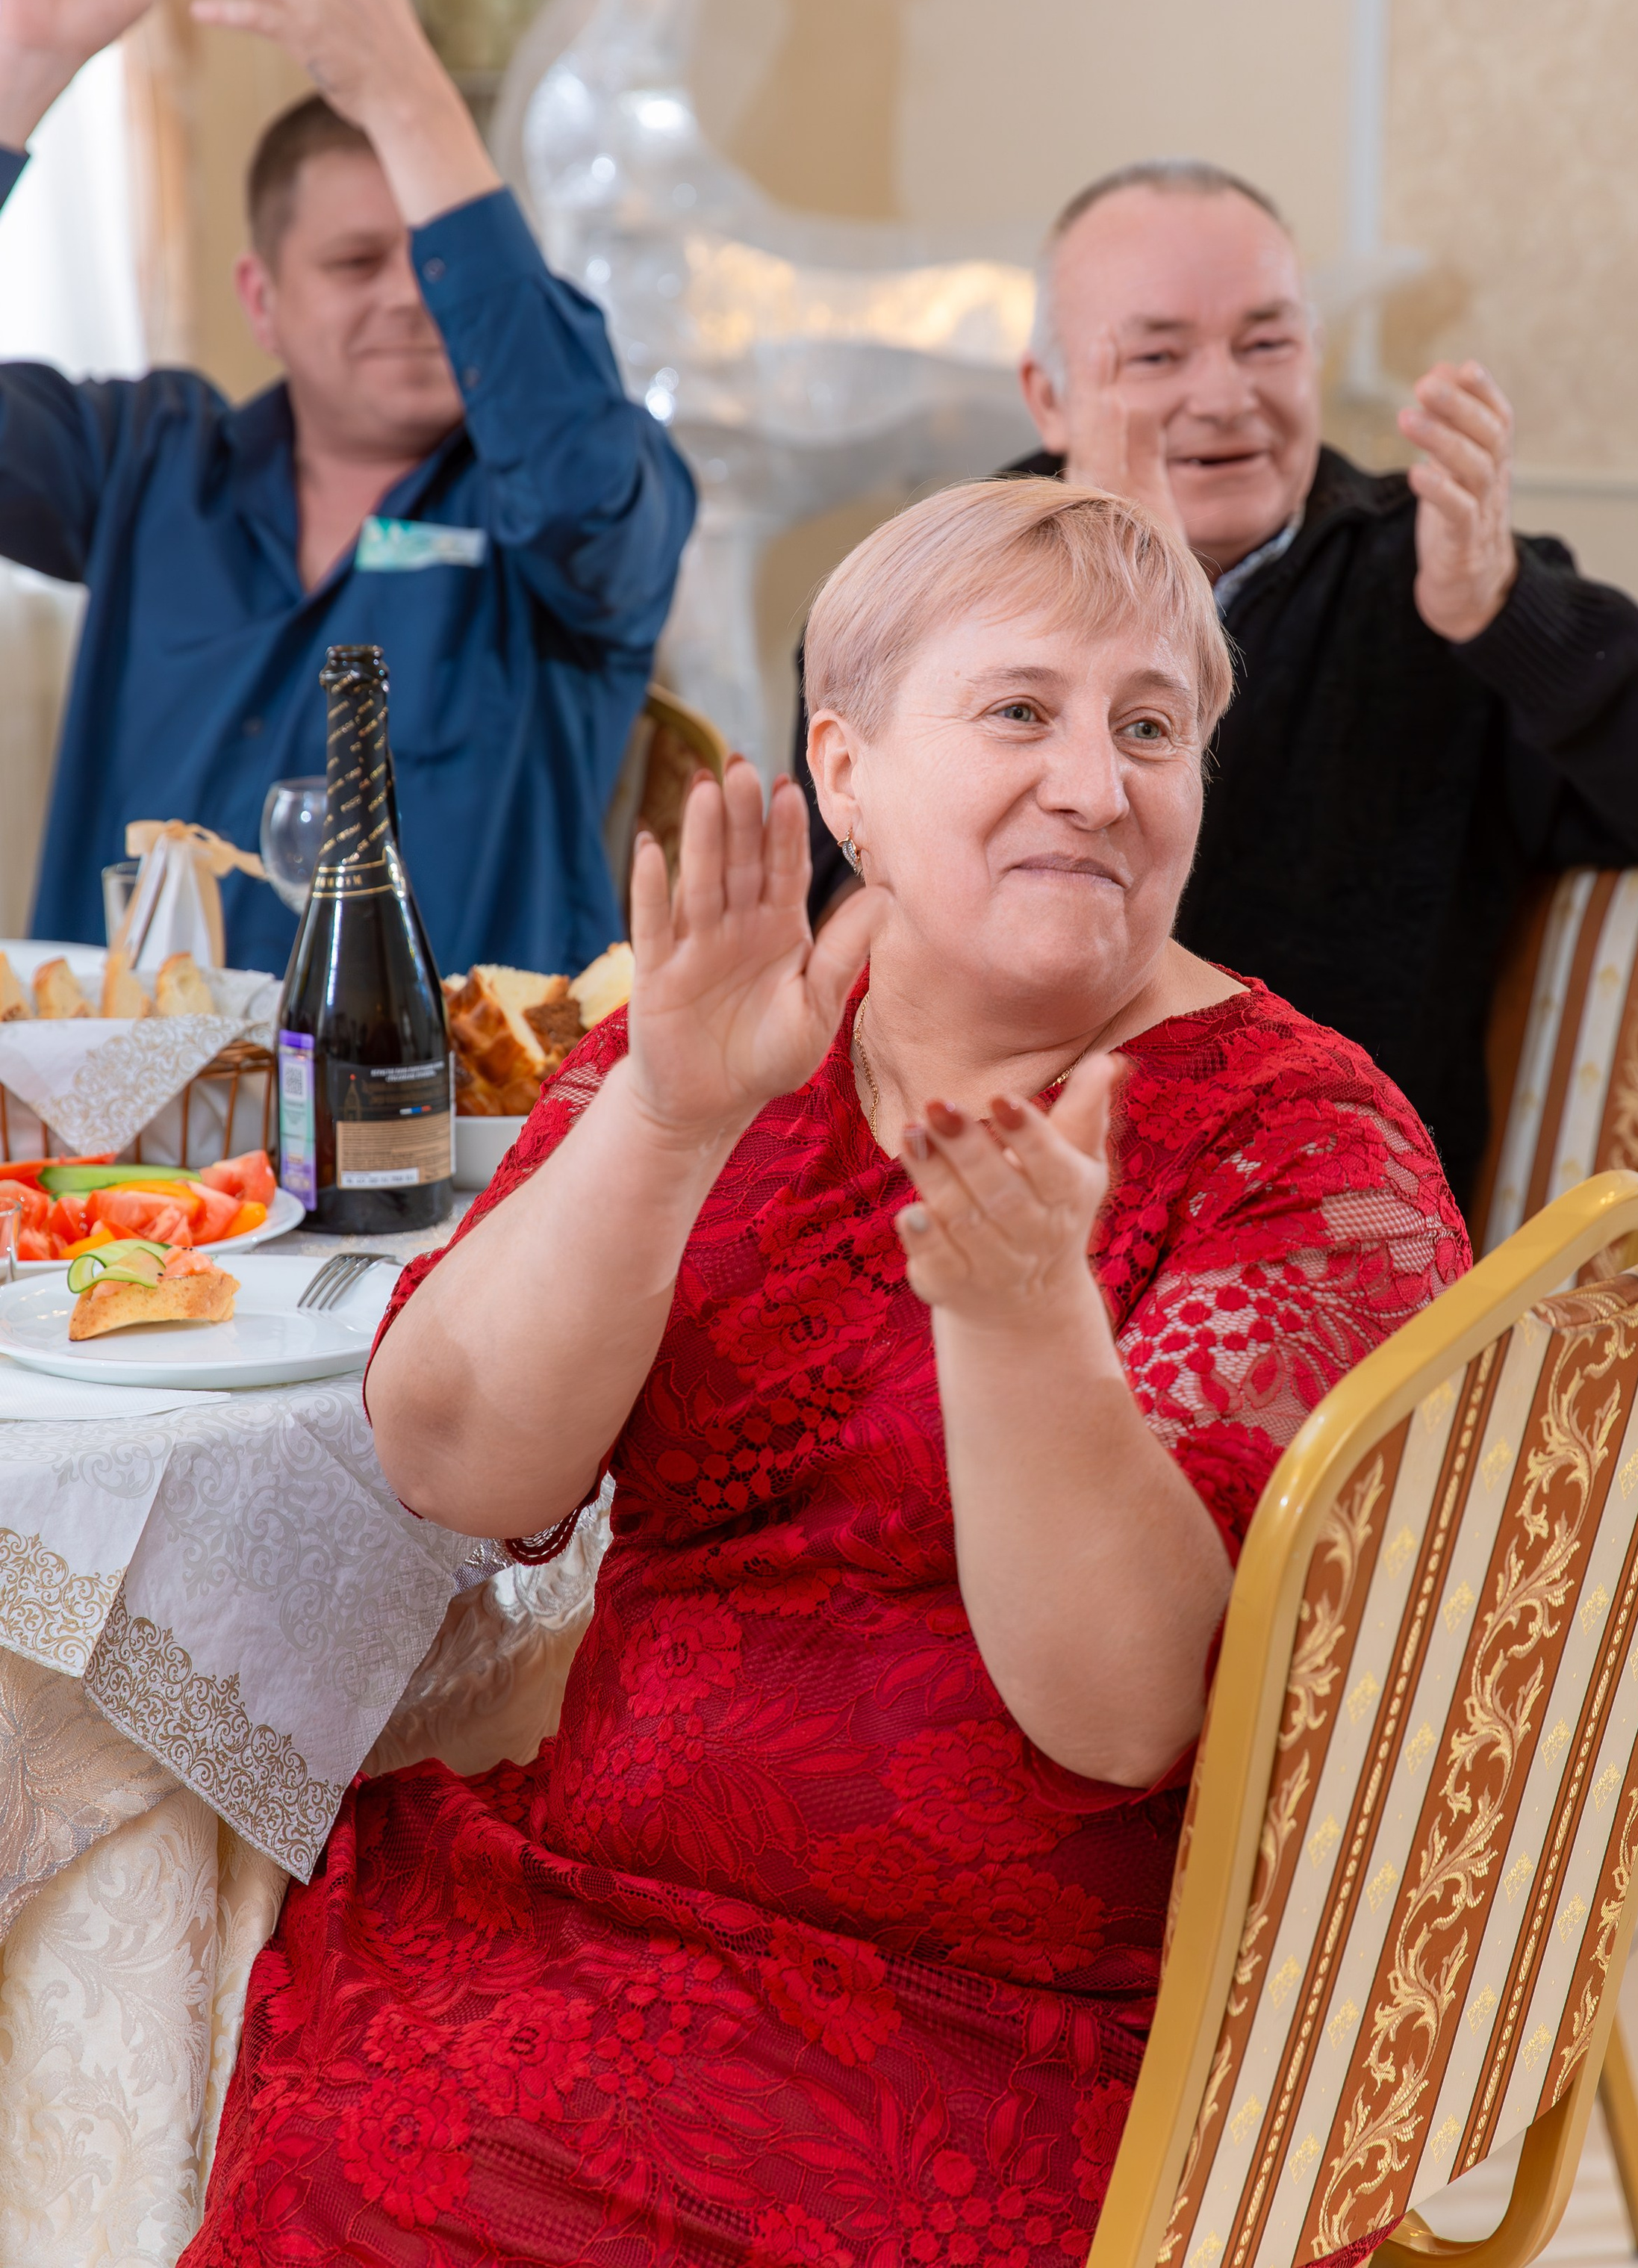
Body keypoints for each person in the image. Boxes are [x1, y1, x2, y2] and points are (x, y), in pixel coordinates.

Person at [187, 479, 1468, 2266]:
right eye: (1019, 711)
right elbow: (459, 1464)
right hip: (611, 1907)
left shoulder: (1298, 1144)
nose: (1095, 784)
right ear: (844, 774)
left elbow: (1127, 1716)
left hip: (1031, 2018)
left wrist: (1025, 1327)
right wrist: (664, 1110)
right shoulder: (739, 1022)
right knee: (305, 2098)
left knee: (446, 2181)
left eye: (1150, 729)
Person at [798, 161, 1638, 1204]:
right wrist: (1121, 607)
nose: (1224, 397)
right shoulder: (931, 591)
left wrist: (1505, 612)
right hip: (941, 1196)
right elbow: (836, 924)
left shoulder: (1431, 572)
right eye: (1159, 354)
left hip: (1309, 1211)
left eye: (1268, 343)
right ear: (1049, 395)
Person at [0, 0, 695, 973]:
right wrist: (17, 67)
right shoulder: (149, 462)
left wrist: (412, 103)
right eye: (354, 262)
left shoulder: (576, 502)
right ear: (261, 299)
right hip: (126, 1127)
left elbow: (575, 482)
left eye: (434, 257)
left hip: (452, 1123)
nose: (413, 294)